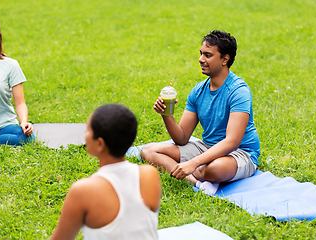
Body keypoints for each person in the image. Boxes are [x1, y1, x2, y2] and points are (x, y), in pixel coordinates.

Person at [141, 30, 260, 195]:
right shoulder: (198, 91)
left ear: (225, 59)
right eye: (201, 54)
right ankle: (198, 183)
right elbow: (181, 138)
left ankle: (204, 173)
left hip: (239, 152)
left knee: (215, 169)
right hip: (207, 147)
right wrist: (166, 115)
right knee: (148, 151)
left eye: (208, 55)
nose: (201, 59)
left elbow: (232, 142)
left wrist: (193, 163)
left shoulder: (239, 91)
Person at [51, 104, 161, 240]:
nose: (85, 134)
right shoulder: (150, 174)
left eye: (88, 130)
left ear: (100, 144)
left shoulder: (82, 190)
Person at [0, 13, 34, 146]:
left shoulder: (10, 65)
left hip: (4, 125)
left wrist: (24, 122)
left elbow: (20, 103)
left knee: (27, 138)